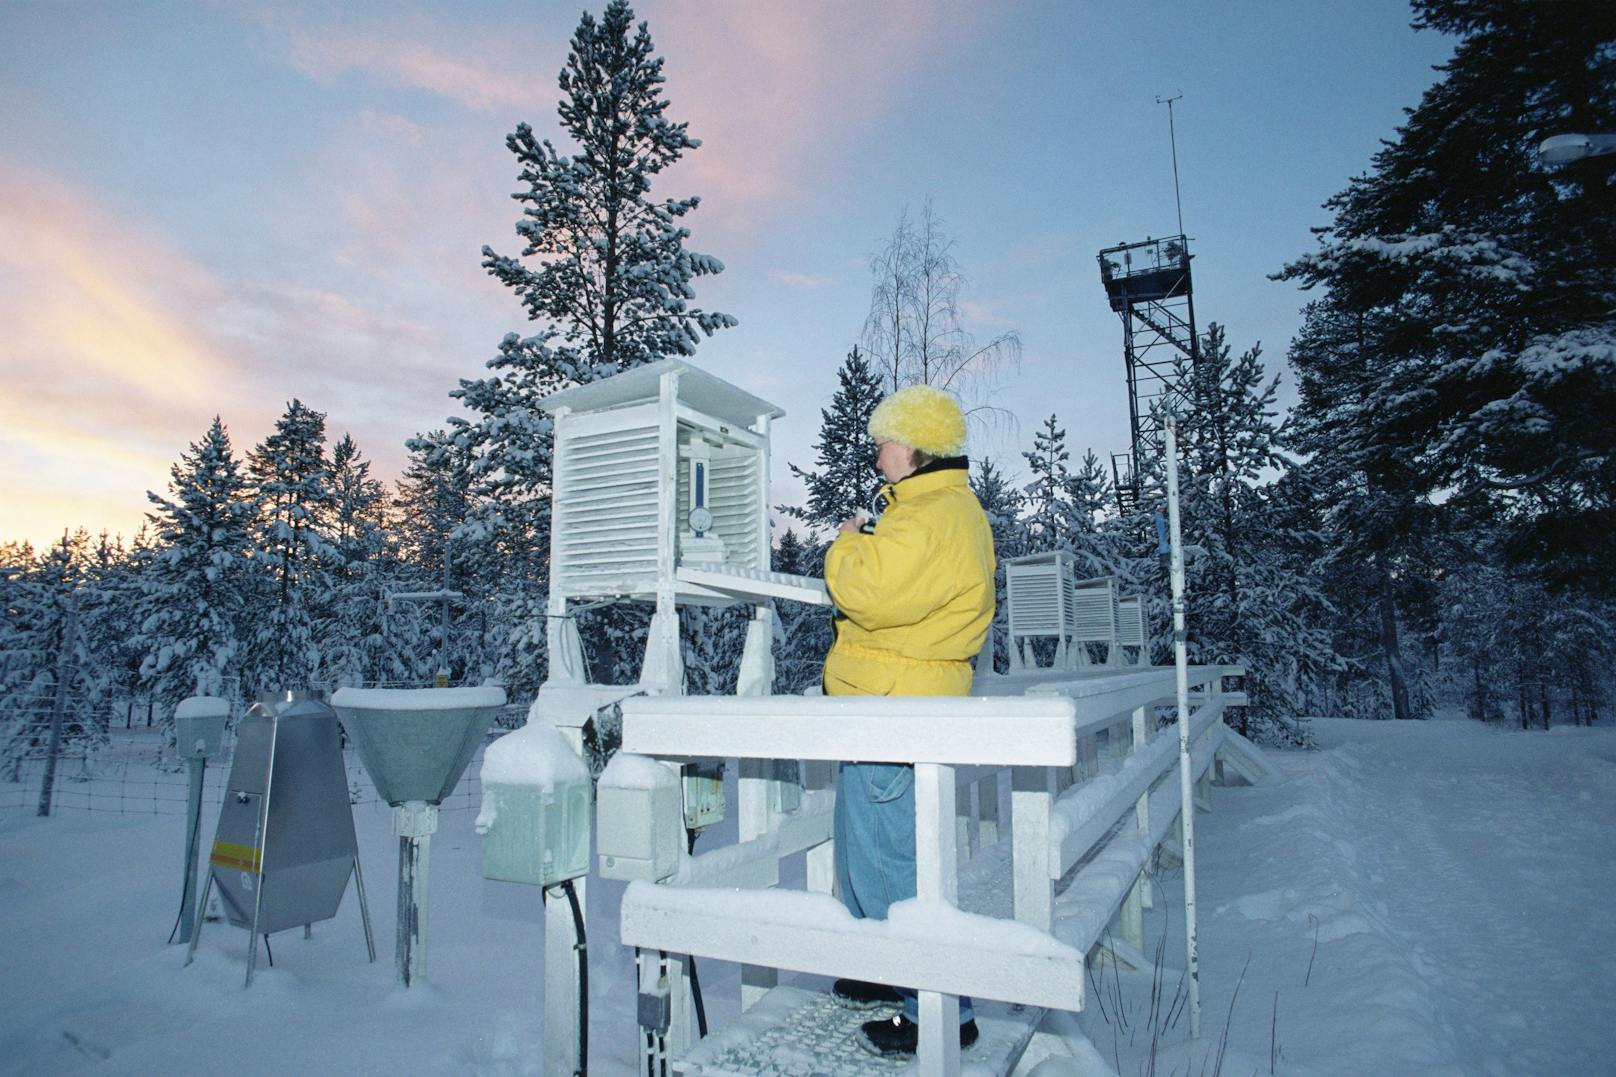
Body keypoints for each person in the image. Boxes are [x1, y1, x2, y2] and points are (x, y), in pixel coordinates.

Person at [822, 383, 996, 1058]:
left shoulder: (930, 515)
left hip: (896, 705)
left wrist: (845, 545)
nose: (877, 456)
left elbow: (870, 591)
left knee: (893, 856)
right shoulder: (939, 510)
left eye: (885, 443)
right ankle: (886, 967)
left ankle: (944, 1014)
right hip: (892, 703)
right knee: (868, 841)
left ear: (918, 447)